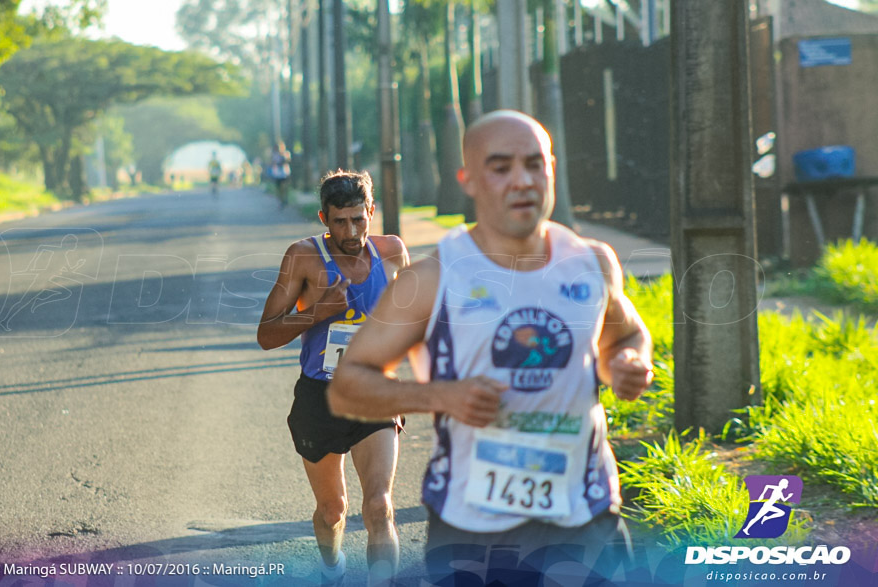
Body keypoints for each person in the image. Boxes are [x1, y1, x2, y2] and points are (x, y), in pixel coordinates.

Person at [328, 110, 654, 584]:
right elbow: (347, 385)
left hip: (585, 511)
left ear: (552, 170)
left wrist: (626, 361)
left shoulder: (591, 262)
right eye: (501, 168)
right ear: (469, 180)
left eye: (534, 164)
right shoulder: (435, 277)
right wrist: (439, 396)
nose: (522, 180)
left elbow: (626, 334)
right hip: (473, 526)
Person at [257, 170, 409, 586]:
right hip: (319, 397)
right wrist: (318, 312)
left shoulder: (393, 252)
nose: (351, 230)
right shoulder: (303, 257)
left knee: (379, 508)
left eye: (359, 219)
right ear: (324, 218)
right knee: (332, 510)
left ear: (371, 212)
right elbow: (266, 334)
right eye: (340, 221)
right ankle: (332, 569)